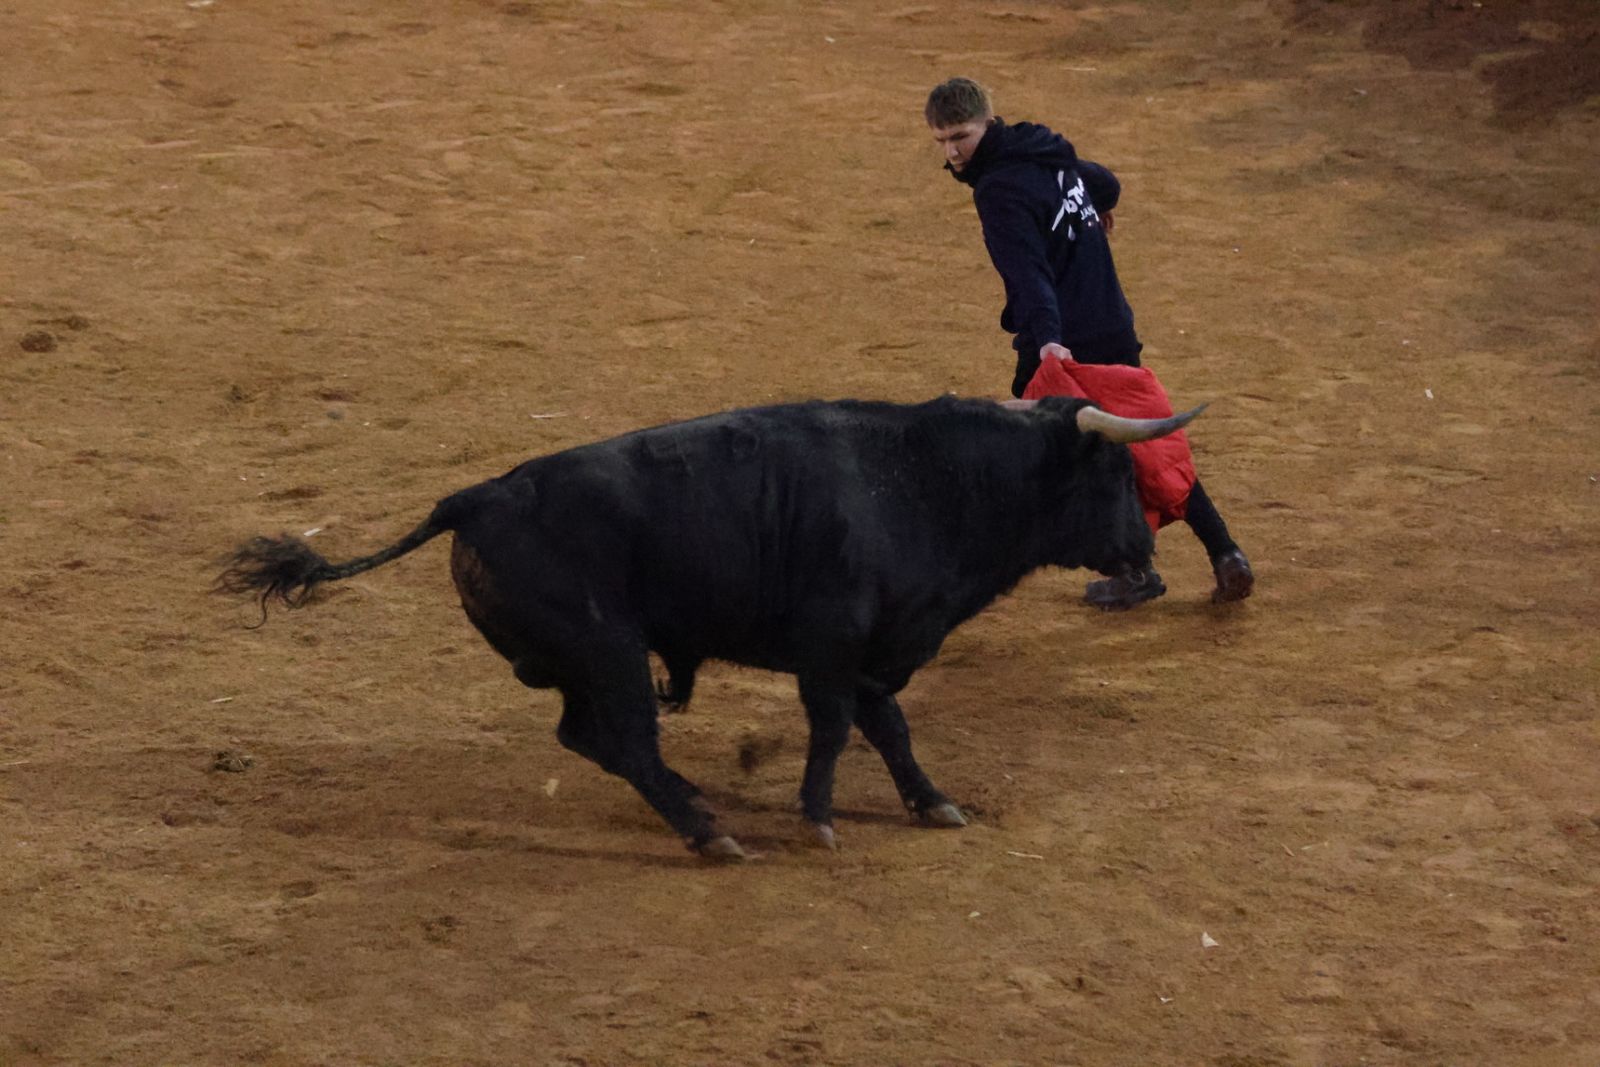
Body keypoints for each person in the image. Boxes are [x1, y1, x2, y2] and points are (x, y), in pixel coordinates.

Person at [925, 76, 1253, 609]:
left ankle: (1131, 567)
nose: (952, 152)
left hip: (1065, 340)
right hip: (1111, 322)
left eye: (961, 136)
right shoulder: (1043, 149)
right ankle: (1225, 552)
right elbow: (1104, 182)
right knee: (1145, 437)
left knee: (1064, 453)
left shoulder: (999, 191)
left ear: (988, 122)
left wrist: (1049, 341)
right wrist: (1091, 206)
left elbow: (1028, 273)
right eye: (941, 140)